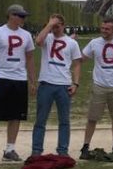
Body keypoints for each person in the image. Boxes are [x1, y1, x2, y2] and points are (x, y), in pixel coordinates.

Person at [0, 4, 36, 163]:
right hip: (0, 78)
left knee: (16, 116)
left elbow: (30, 59)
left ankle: (10, 149)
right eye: (21, 16)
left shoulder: (26, 35)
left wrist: (32, 81)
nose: (23, 19)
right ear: (12, 15)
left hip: (19, 79)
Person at [80, 18, 113, 159]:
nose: (103, 31)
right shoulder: (94, 42)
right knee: (92, 118)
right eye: (102, 28)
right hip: (100, 85)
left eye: (107, 29)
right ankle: (85, 146)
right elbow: (81, 58)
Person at [30, 14, 82, 158]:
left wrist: (76, 83)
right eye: (52, 25)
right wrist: (49, 25)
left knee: (64, 121)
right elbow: (38, 41)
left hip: (64, 85)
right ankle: (36, 150)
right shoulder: (47, 37)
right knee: (40, 120)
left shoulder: (72, 43)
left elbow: (77, 64)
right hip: (46, 83)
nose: (54, 28)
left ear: (63, 25)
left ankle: (63, 150)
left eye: (57, 25)